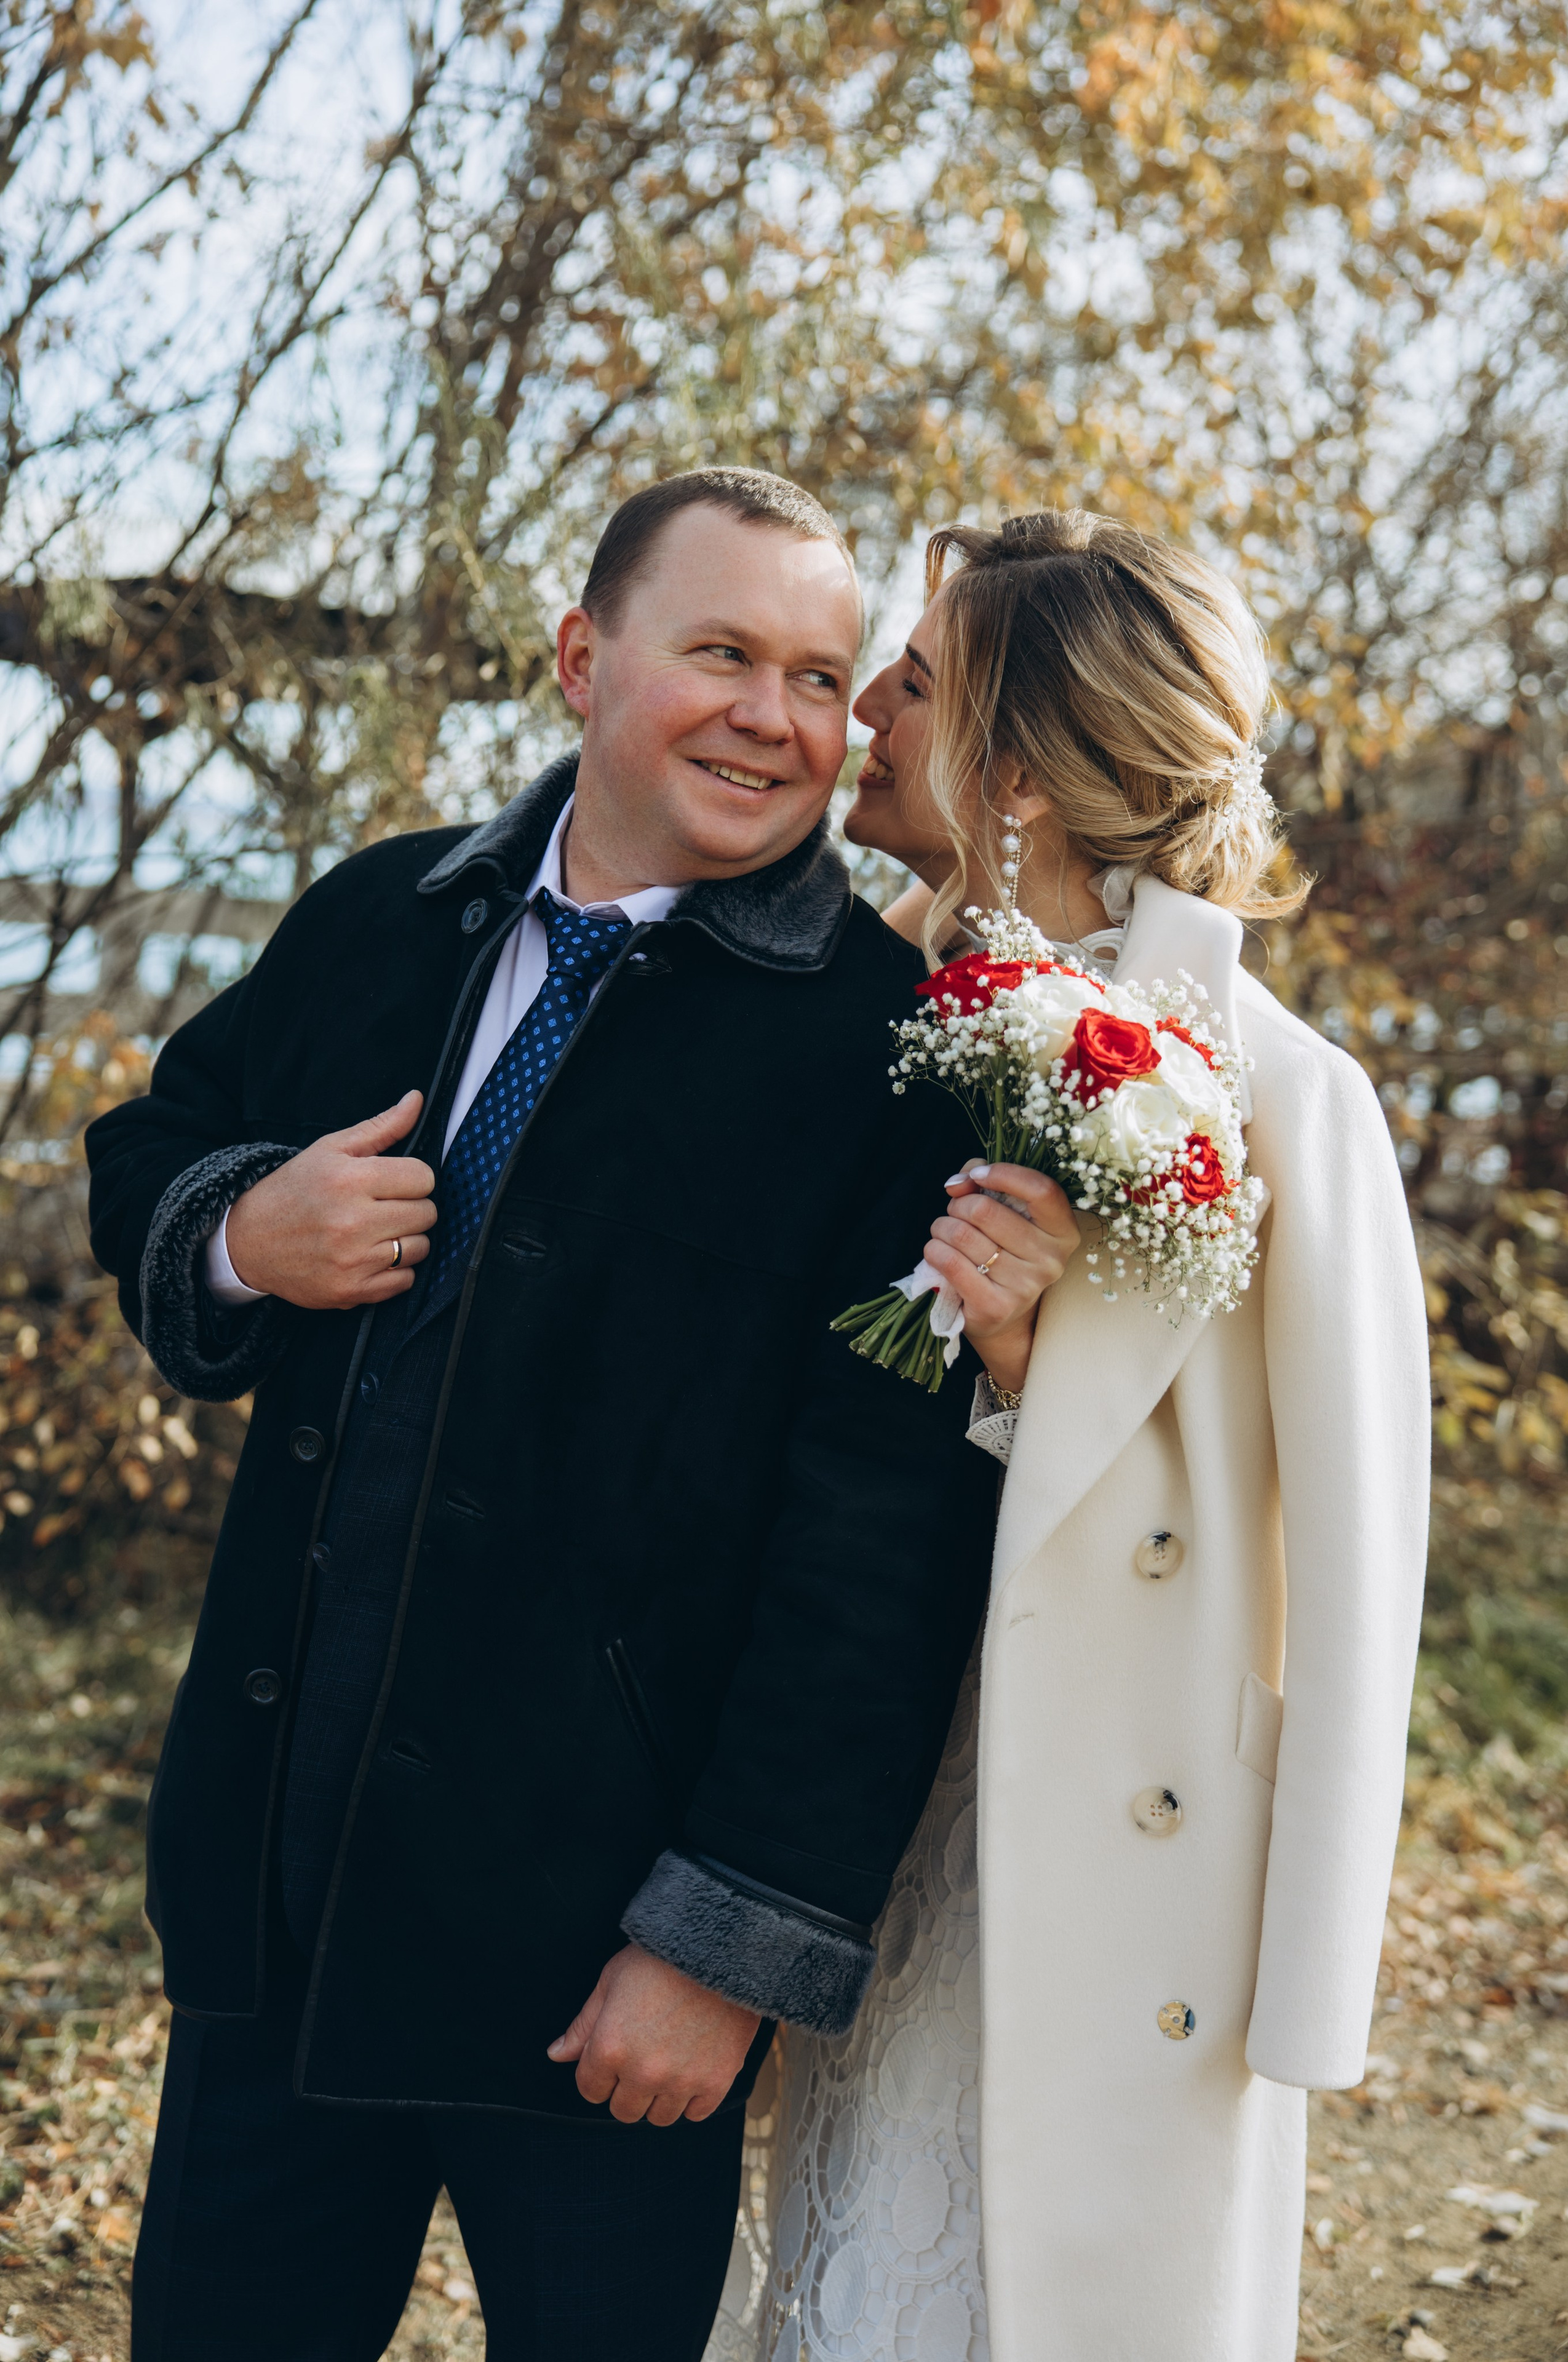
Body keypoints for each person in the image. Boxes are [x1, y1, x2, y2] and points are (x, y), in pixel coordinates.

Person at [84, 471, 1072, 2362]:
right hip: (276, 1905)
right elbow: (150, 1147)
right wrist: (246, 1234)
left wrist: (722, 1949)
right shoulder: (383, 914)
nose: (775, 719)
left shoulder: (892, 1059)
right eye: (720, 653)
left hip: (605, 1968)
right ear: (580, 659)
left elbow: (878, 1549)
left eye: (815, 673)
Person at [736, 509, 1430, 2362]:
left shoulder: (1285, 1098)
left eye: (914, 679)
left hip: (1121, 1873)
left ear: (1017, 772)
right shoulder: (870, 1030)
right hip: (859, 1818)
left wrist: (1310, 2001)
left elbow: (1360, 1577)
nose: (856, 707)